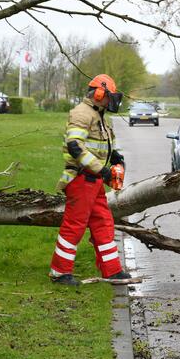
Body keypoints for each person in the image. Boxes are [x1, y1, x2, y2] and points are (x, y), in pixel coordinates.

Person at [49, 74, 130, 286]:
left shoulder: (99, 114)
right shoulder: (82, 113)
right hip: (81, 179)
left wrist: (115, 157)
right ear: (99, 93)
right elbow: (75, 146)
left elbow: (101, 145)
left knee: (103, 222)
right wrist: (102, 170)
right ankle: (59, 272)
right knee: (74, 225)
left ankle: (111, 270)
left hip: (93, 182)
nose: (111, 101)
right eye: (108, 96)